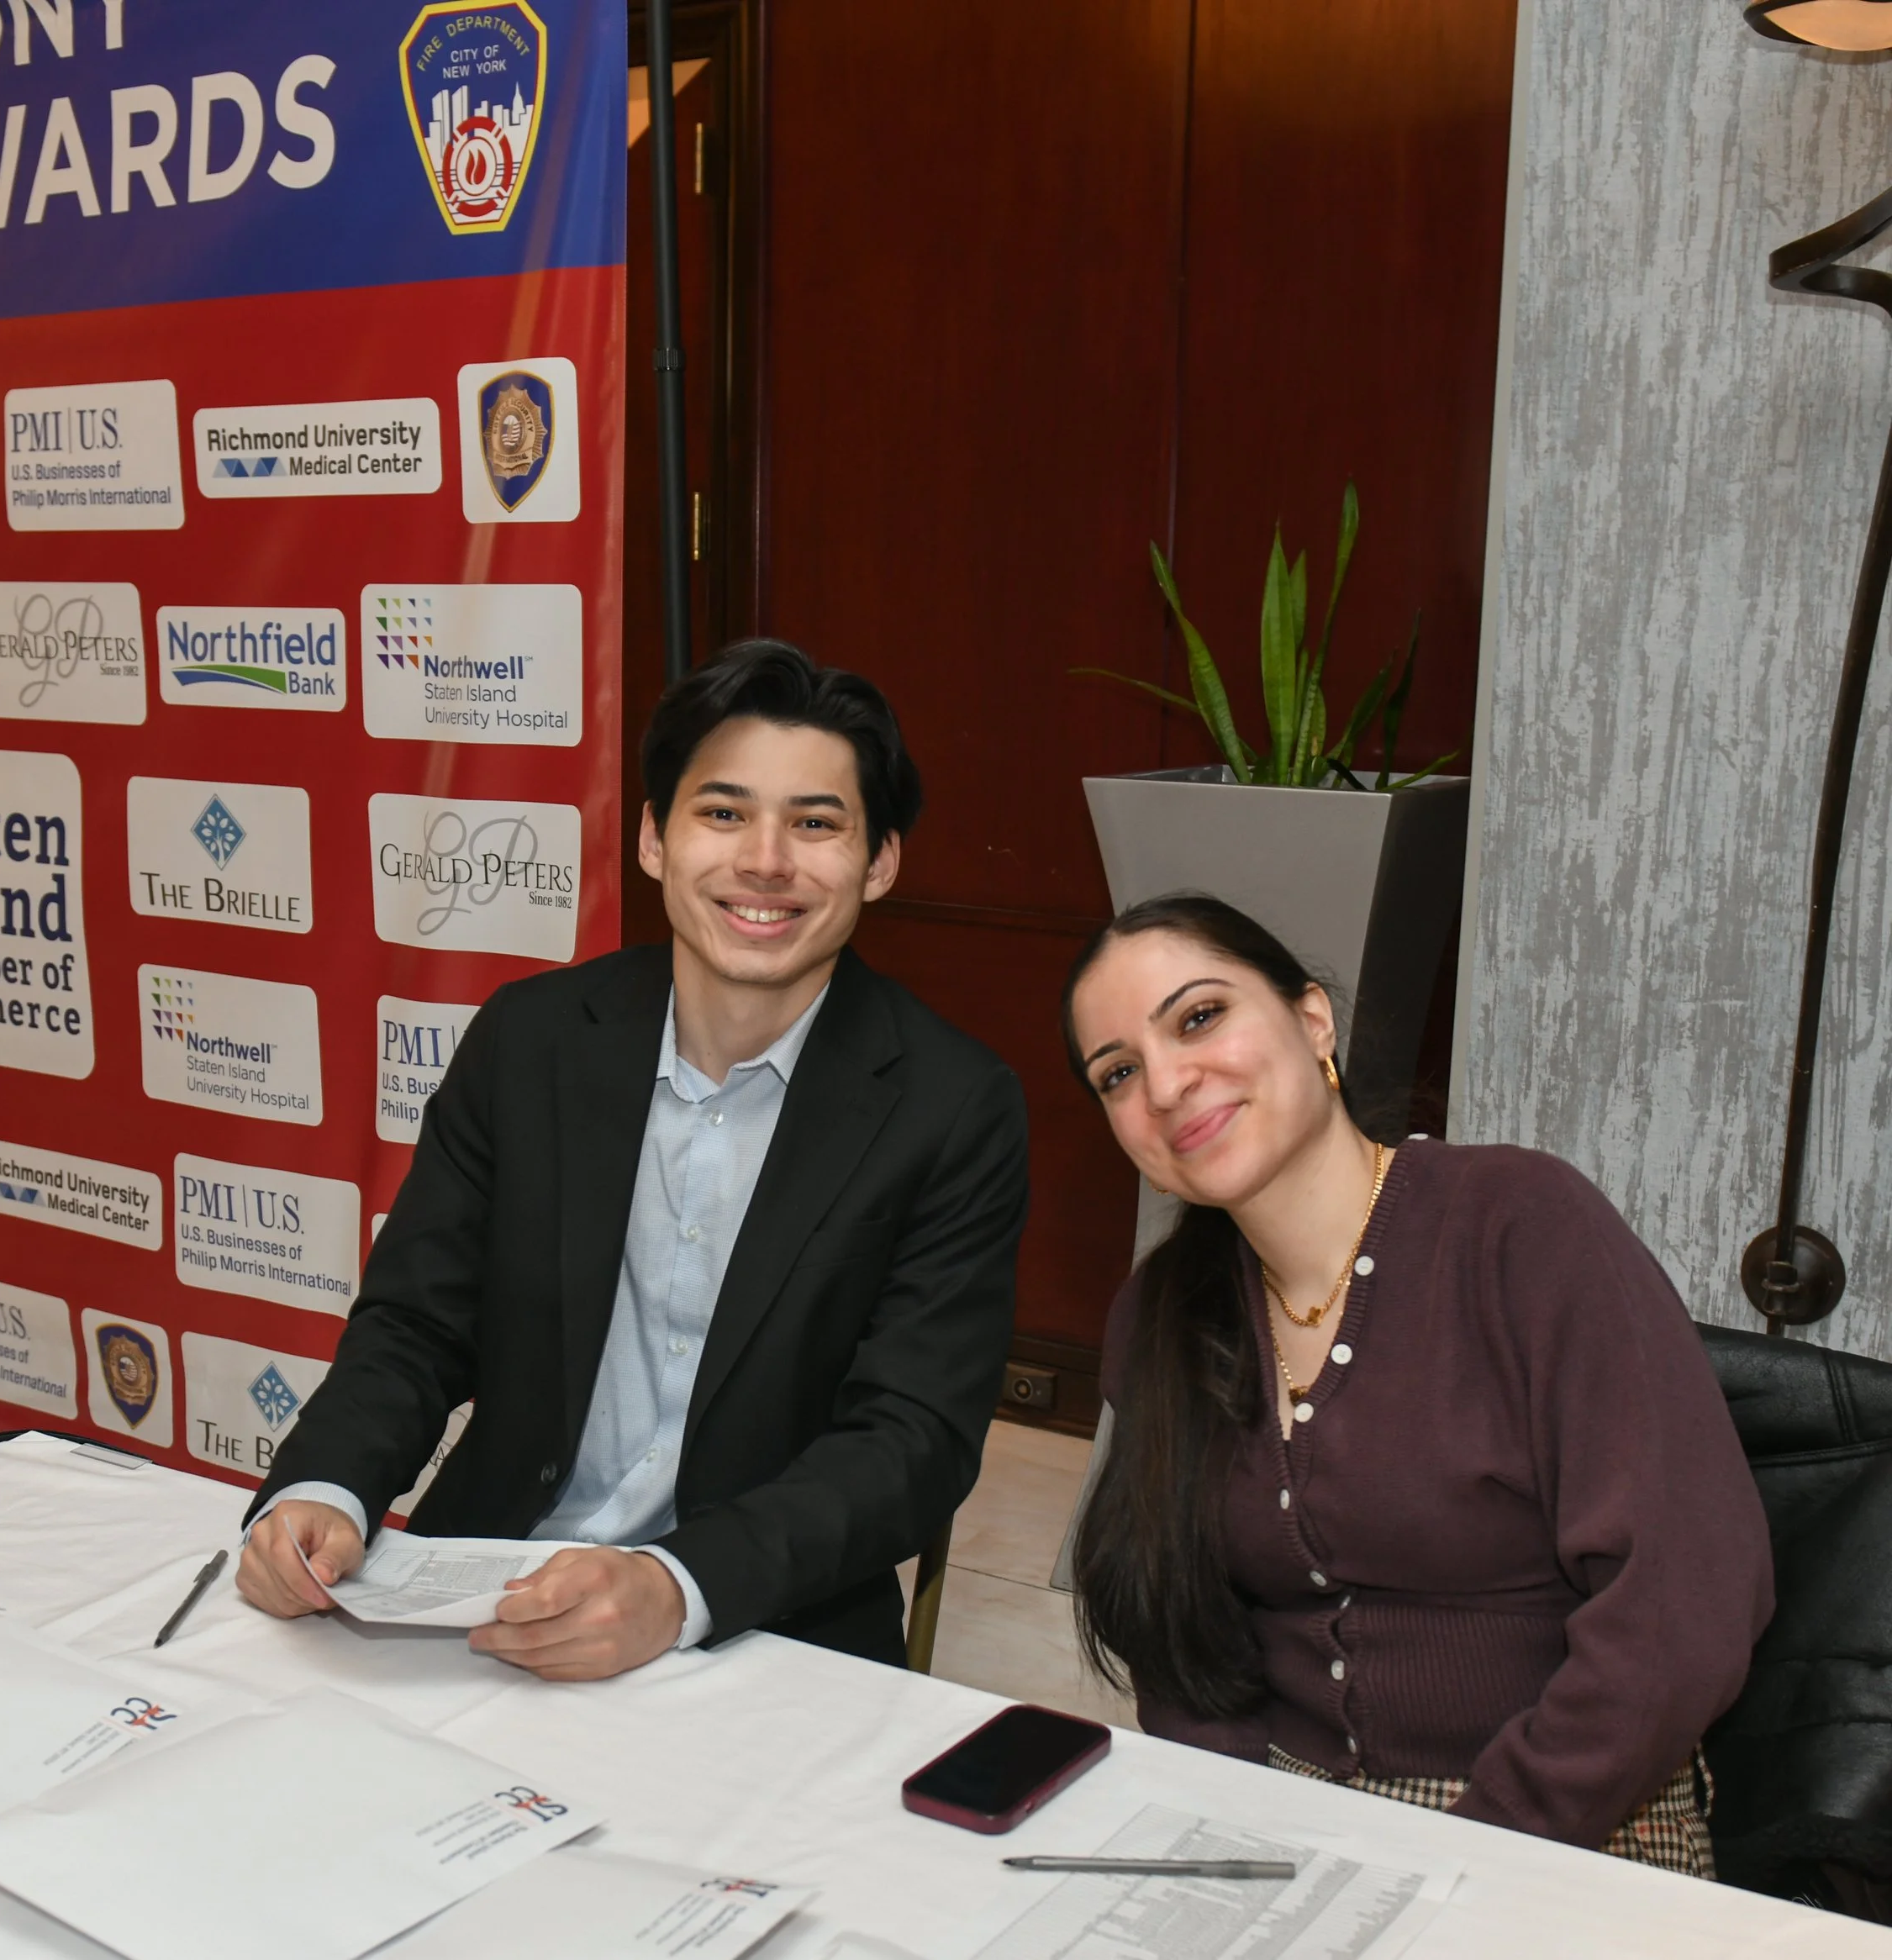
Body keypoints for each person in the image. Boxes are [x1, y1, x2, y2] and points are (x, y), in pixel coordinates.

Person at [237, 640, 1029, 1678]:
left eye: (816, 823)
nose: (766, 861)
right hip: (486, 1584)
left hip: (761, 1622)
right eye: (724, 812)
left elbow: (910, 1441)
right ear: (655, 837)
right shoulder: (530, 1041)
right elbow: (417, 1323)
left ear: (879, 861)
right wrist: (326, 1487)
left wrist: (677, 1585)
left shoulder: (952, 1106)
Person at [1060, 892, 1773, 1873]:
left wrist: (1468, 1859)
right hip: (1283, 1815)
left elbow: (1683, 1608)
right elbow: (1179, 1639)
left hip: (1573, 1818)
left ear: (1314, 1020)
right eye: (1119, 1072)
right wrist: (1231, 1838)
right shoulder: (1159, 1315)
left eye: (1200, 1017)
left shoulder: (1521, 1225)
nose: (1169, 1084)